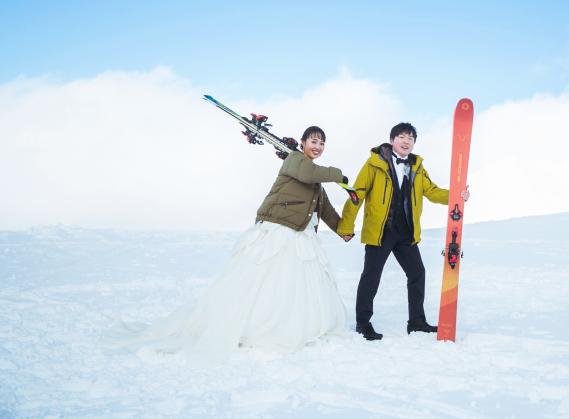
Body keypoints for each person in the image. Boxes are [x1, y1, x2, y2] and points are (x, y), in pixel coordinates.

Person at [100, 126, 353, 366]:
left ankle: (295, 325)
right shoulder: (295, 160)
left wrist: (343, 230)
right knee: (264, 280)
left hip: (301, 237)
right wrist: (339, 175)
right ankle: (253, 325)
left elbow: (326, 210)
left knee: (296, 284)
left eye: (322, 143)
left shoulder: (317, 182)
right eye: (313, 141)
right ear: (303, 143)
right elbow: (310, 173)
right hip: (278, 232)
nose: (317, 146)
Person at [337, 123, 470, 340]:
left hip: (406, 232)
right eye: (402, 137)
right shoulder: (373, 164)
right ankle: (363, 322)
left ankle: (416, 321)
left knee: (417, 273)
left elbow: (431, 191)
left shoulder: (417, 166)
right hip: (381, 231)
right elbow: (357, 195)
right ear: (392, 141)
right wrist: (346, 227)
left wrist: (456, 195)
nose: (406, 141)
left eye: (411, 138)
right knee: (371, 276)